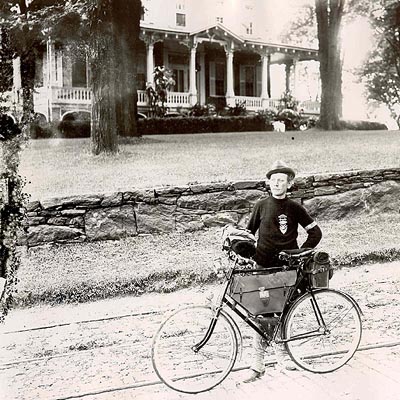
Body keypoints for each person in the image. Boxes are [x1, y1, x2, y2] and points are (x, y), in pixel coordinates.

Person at [241, 160, 322, 384]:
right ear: (268, 183)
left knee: (284, 312)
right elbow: (248, 235)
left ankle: (282, 358)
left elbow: (315, 233)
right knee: (261, 314)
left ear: (289, 184)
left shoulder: (295, 207)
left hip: (287, 268)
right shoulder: (260, 206)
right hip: (263, 266)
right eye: (274, 180)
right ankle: (257, 364)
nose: (277, 184)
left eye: (282, 180)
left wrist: (301, 253)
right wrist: (248, 254)